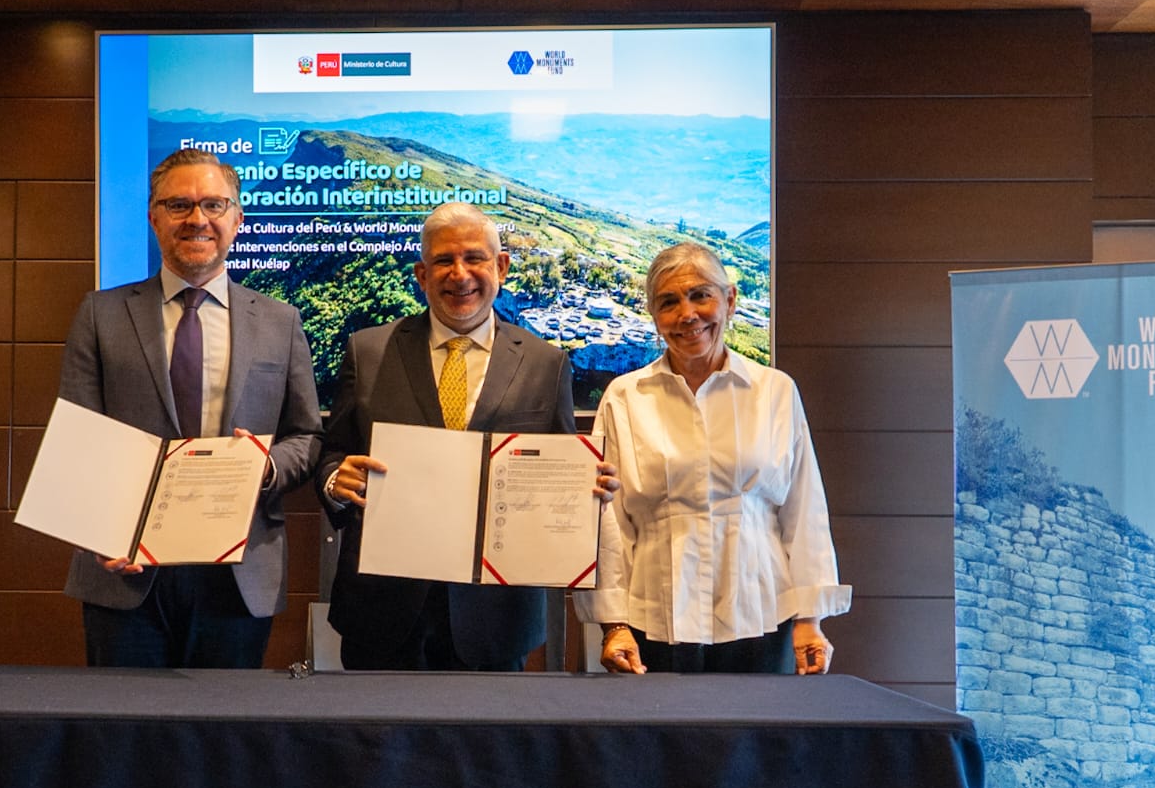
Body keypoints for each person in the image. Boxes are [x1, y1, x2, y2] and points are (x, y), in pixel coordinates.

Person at [318, 202, 617, 671]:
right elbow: (333, 452)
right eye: (443, 261)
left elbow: (563, 471)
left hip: (496, 615)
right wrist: (337, 481)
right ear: (421, 273)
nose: (460, 274)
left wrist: (584, 494)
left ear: (500, 266)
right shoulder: (368, 351)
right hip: (382, 606)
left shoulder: (545, 364)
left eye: (474, 258)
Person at [58, 148, 323, 668]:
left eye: (213, 205)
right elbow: (75, 439)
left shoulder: (280, 322)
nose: (197, 219)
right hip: (126, 571)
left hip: (236, 573)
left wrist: (264, 467)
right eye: (178, 205)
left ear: (238, 219)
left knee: (223, 740)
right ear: (154, 216)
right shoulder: (101, 314)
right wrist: (96, 528)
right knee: (126, 738)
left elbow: (307, 437)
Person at [576, 241, 850, 675]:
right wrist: (613, 625)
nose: (688, 314)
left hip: (760, 617)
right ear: (654, 315)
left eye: (701, 295)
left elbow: (804, 509)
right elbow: (609, 523)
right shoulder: (624, 398)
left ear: (730, 300)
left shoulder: (775, 391)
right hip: (653, 622)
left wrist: (810, 619)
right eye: (669, 302)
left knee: (756, 741)